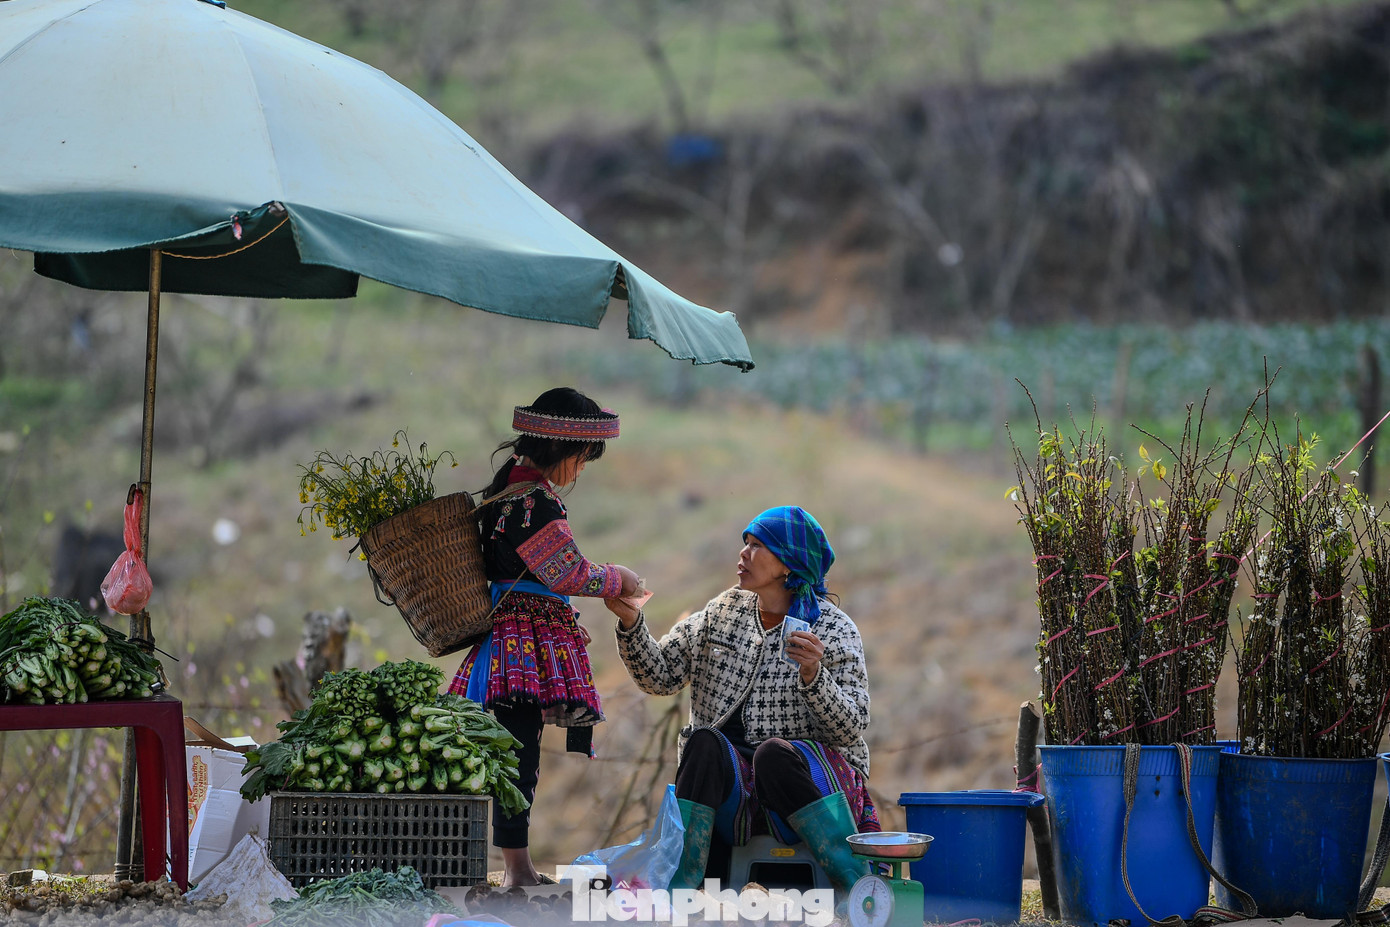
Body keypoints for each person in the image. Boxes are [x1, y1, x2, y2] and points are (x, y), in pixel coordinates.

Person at [606, 506, 876, 898]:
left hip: (807, 784)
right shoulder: (723, 611)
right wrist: (631, 623)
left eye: (757, 546)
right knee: (702, 743)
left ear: (788, 563)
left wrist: (814, 677)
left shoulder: (834, 629)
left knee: (771, 755)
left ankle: (859, 891)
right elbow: (661, 675)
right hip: (737, 789)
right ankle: (679, 894)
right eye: (744, 544)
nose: (743, 555)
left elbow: (852, 727)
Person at [449, 387, 641, 888]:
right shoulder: (535, 502)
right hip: (523, 641)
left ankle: (518, 866)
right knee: (519, 751)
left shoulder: (505, 491)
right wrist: (618, 578)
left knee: (514, 748)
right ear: (564, 451)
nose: (580, 471)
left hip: (507, 633)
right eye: (581, 459)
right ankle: (516, 871)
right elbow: (565, 573)